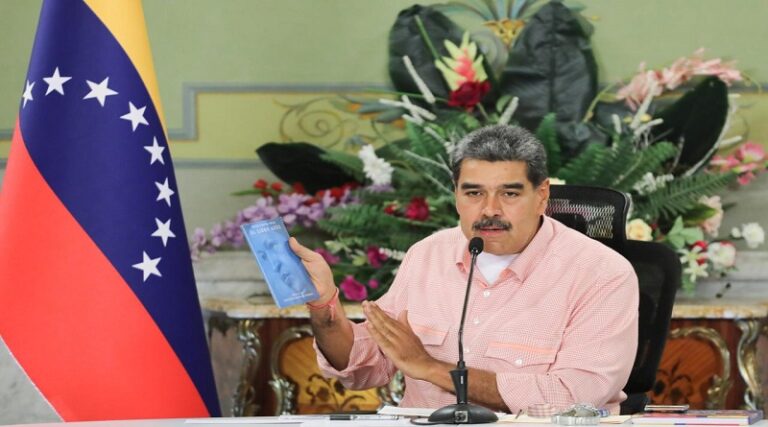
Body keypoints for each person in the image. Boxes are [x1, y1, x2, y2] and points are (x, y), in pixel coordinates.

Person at [288, 124, 638, 414]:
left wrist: (432, 369)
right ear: (455, 194)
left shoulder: (602, 274)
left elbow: (574, 397)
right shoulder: (427, 254)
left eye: (509, 194)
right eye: (473, 193)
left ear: (542, 195)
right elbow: (365, 367)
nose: (490, 210)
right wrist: (324, 308)